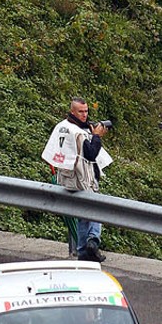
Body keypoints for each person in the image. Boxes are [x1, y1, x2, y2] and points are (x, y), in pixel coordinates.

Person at [45, 97, 109, 263]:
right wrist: (96, 136)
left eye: (86, 111)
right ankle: (93, 242)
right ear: (72, 111)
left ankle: (82, 252)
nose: (84, 115)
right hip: (82, 178)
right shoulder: (78, 132)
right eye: (81, 112)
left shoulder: (62, 126)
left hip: (67, 177)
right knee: (97, 208)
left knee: (81, 214)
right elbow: (91, 154)